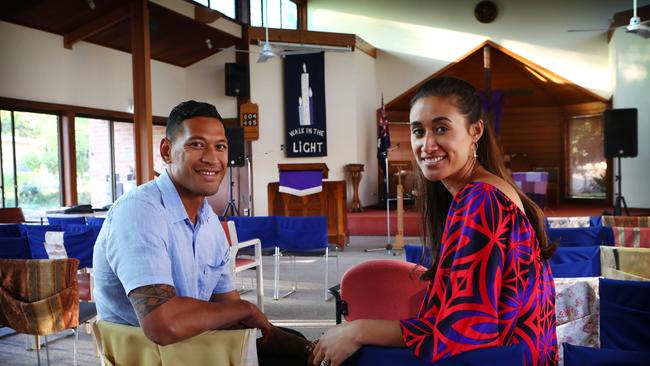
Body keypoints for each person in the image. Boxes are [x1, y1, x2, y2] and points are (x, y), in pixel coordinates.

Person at [313, 77, 558, 366]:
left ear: (475, 130)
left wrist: (361, 330)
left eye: (441, 128)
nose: (427, 145)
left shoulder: (482, 200)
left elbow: (464, 334)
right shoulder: (480, 192)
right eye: (418, 131)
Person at [93, 100, 311, 365]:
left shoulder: (209, 223)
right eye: (196, 144)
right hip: (150, 354)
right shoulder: (140, 212)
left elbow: (229, 310)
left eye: (220, 146)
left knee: (292, 346)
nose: (211, 157)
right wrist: (246, 308)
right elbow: (163, 324)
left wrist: (296, 344)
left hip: (192, 343)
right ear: (167, 151)